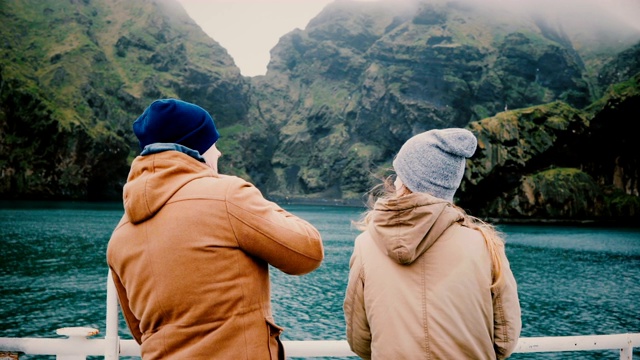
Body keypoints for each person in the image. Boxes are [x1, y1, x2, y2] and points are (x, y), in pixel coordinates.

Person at [107, 98, 324, 359]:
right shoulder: (227, 195)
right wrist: (256, 203)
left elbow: (139, 330)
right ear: (197, 147)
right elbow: (308, 253)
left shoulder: (121, 233)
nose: (219, 152)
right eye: (214, 143)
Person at [343, 128, 521, 359]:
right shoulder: (485, 245)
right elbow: (504, 340)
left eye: (399, 174)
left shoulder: (366, 245)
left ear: (405, 182)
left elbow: (359, 340)